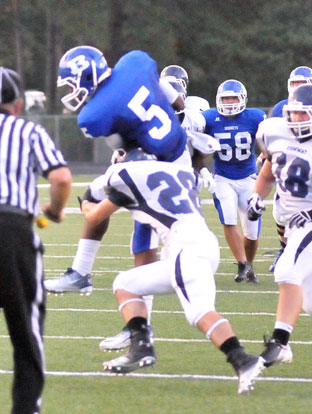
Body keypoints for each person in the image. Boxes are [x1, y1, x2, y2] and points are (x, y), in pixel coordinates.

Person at [44, 52, 218, 351]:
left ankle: (136, 326)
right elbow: (166, 91)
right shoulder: (134, 61)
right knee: (114, 212)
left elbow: (121, 144)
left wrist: (130, 156)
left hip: (160, 165)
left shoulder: (94, 114)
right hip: (170, 150)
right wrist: (177, 111)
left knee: (132, 232)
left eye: (73, 85)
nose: (71, 94)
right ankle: (85, 277)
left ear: (87, 77)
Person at [81, 146, 265, 395]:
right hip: (202, 245)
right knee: (125, 284)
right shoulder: (181, 173)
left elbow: (94, 217)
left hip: (185, 249)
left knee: (200, 313)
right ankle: (141, 346)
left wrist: (84, 203)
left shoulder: (135, 178)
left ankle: (243, 360)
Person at [0, 67, 72, 414]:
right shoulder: (27, 130)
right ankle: (25, 408)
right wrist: (55, 211)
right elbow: (59, 177)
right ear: (16, 105)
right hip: (12, 231)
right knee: (25, 330)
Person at [247, 84, 312, 367]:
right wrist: (255, 198)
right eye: (293, 114)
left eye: (303, 115)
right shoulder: (274, 132)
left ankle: (280, 343)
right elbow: (268, 173)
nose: (296, 121)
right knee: (308, 301)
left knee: (287, 270)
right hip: (292, 222)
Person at [202, 80, 266, 283]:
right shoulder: (209, 118)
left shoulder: (255, 117)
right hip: (222, 177)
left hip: (249, 177)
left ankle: (249, 265)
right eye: (225, 98)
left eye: (233, 98)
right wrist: (202, 170)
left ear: (243, 99)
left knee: (252, 231)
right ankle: (242, 264)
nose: (229, 102)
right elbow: (196, 145)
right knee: (228, 219)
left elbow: (268, 144)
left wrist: (263, 163)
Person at [269, 66, 312, 272]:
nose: (298, 88)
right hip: (292, 165)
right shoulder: (280, 109)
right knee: (280, 212)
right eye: (295, 84)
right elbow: (272, 144)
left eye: (302, 84)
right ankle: (284, 248)